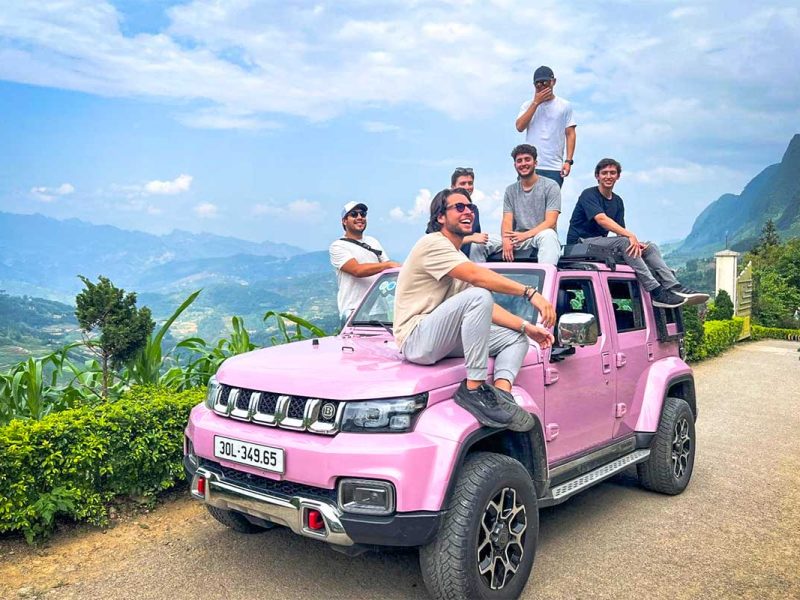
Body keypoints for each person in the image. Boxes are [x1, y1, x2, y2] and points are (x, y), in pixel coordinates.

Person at [394, 188, 556, 431]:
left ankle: (501, 398)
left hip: (442, 337)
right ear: (440, 217)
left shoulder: (456, 255)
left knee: (517, 337)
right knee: (479, 294)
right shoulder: (432, 244)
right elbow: (477, 280)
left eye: (471, 207)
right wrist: (529, 293)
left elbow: (485, 307)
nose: (468, 211)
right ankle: (474, 389)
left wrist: (528, 327)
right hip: (417, 339)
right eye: (459, 207)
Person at [566, 158, 709, 308]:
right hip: (580, 243)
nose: (608, 176)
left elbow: (620, 231)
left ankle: (673, 286)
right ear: (597, 176)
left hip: (599, 244)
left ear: (618, 176)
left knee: (650, 247)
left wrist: (637, 243)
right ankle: (656, 291)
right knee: (626, 242)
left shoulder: (617, 201)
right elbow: (602, 219)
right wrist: (630, 236)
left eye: (612, 173)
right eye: (604, 173)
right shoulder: (589, 194)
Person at [476, 144, 561, 265]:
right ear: (515, 165)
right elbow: (507, 220)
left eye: (527, 159)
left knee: (549, 235)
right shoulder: (510, 190)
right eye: (519, 161)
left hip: (537, 236)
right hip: (516, 238)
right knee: (478, 243)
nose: (523, 164)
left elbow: (551, 222)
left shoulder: (551, 186)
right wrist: (506, 240)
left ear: (535, 163)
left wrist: (525, 235)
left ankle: (546, 281)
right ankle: (478, 282)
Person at [329, 201, 400, 320]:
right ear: (344, 221)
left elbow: (389, 270)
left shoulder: (373, 241)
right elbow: (357, 270)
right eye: (354, 214)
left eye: (363, 214)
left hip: (379, 309)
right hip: (354, 311)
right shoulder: (338, 246)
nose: (360, 217)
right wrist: (388, 265)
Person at [515, 66, 576, 188]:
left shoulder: (564, 106)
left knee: (550, 206)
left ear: (553, 82)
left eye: (545, 83)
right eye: (538, 84)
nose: (542, 86)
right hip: (530, 166)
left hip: (554, 167)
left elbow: (570, 134)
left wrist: (568, 161)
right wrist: (536, 103)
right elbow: (520, 127)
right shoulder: (527, 105)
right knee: (524, 205)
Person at [445, 167, 502, 262]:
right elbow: (440, 241)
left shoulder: (473, 209)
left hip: (470, 256)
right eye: (463, 183)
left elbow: (477, 237)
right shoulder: (445, 208)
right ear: (453, 187)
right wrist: (471, 238)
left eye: (470, 183)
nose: (467, 187)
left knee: (503, 240)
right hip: (452, 258)